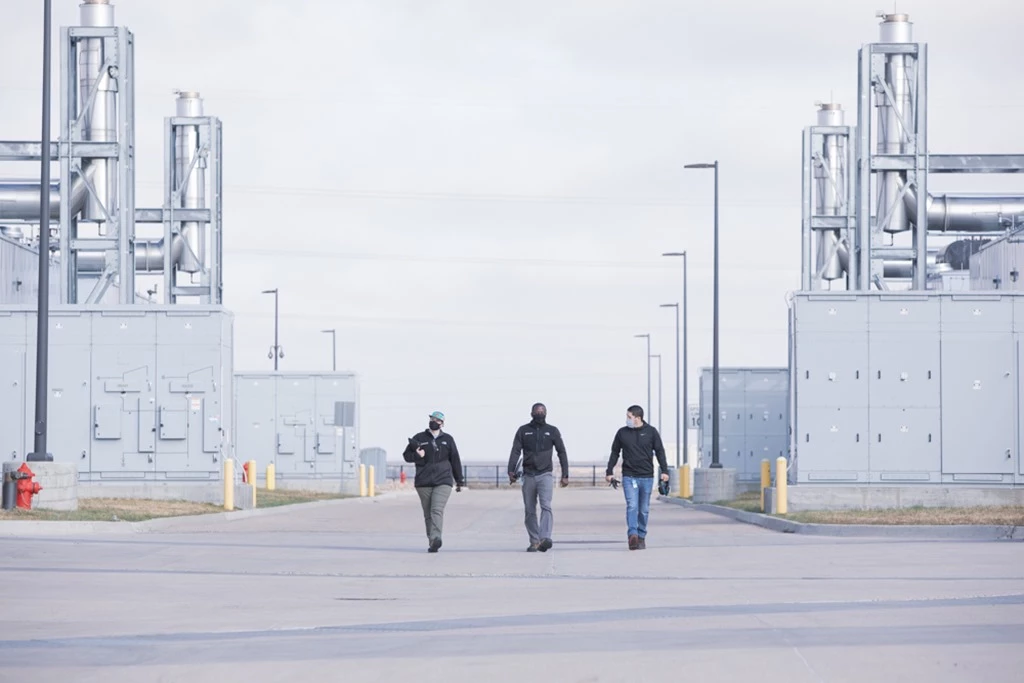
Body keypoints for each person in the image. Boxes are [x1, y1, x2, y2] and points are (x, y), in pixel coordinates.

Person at [605, 405, 670, 551]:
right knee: (632, 505)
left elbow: (660, 451)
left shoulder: (651, 432)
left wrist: (665, 471)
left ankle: (641, 537)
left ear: (637, 418)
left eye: (629, 417)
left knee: (644, 509)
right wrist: (609, 472)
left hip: (647, 477)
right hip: (629, 476)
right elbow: (615, 452)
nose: (627, 419)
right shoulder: (622, 433)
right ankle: (632, 535)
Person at [508, 403, 569, 552]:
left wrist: (565, 474)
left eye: (542, 411)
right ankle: (534, 541)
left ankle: (545, 538)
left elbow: (561, 452)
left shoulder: (552, 431)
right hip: (528, 475)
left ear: (546, 414)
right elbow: (516, 451)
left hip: (545, 474)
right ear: (531, 414)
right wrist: (511, 470)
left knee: (546, 506)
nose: (540, 414)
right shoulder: (523, 431)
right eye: (537, 411)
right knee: (529, 510)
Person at [402, 410, 465, 553]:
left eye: (437, 420)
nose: (433, 422)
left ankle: (436, 537)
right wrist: (418, 455)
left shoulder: (448, 439)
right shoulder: (419, 437)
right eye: (432, 419)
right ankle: (432, 541)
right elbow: (406, 456)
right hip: (423, 482)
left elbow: (455, 459)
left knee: (436, 509)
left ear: (442, 423)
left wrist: (459, 480)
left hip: (443, 480)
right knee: (428, 513)